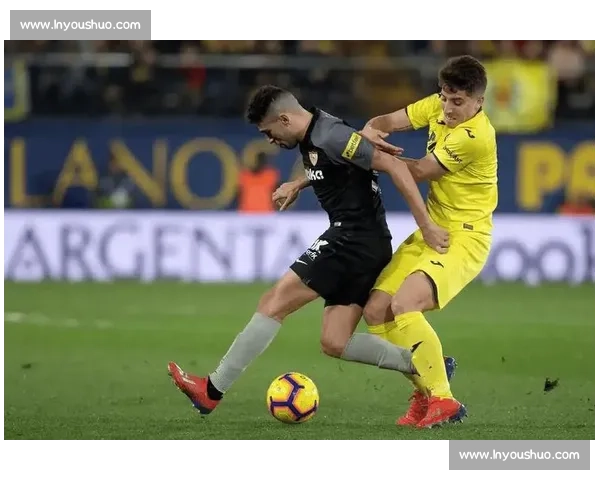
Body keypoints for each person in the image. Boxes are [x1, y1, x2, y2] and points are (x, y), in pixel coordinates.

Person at [167, 85, 454, 420]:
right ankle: (426, 365)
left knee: (273, 302)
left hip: (352, 240)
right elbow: (336, 161)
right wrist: (299, 183)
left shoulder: (331, 134)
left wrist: (426, 224)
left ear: (284, 119)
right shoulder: (318, 131)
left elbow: (394, 166)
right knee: (335, 341)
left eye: (269, 132)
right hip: (366, 243)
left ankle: (211, 391)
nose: (270, 140)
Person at [359, 55, 497, 428]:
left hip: (463, 237)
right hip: (432, 230)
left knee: (405, 303)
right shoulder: (437, 106)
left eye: (458, 102)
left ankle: (444, 399)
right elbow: (386, 122)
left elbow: (419, 171)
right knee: (376, 311)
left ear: (479, 102)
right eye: (445, 98)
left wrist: (366, 152)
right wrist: (371, 130)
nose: (448, 108)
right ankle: (426, 387)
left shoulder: (474, 137)